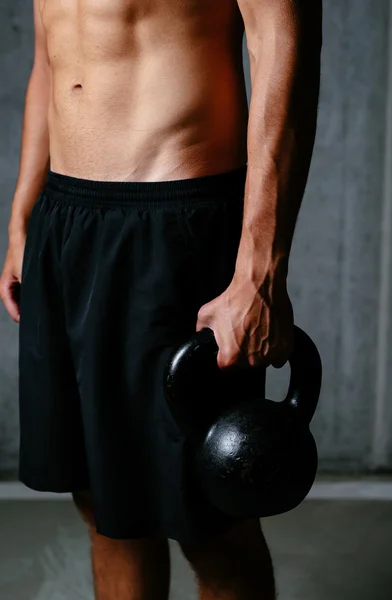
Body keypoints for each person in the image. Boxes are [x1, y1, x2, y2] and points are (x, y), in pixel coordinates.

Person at [0, 0, 321, 598]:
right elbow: (53, 55)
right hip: (64, 223)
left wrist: (260, 269)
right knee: (105, 505)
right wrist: (24, 211)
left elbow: (282, 49)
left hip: (173, 229)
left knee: (211, 517)